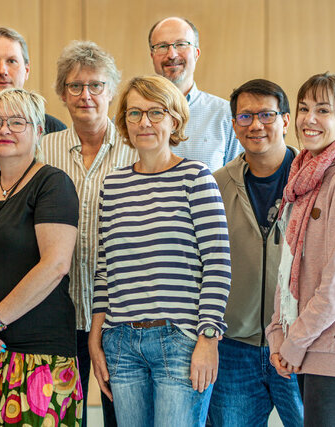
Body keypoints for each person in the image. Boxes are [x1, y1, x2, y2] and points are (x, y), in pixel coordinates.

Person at [89, 75, 231, 427]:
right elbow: (105, 269)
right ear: (124, 122)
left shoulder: (196, 178)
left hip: (180, 340)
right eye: (135, 113)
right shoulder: (113, 185)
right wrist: (96, 338)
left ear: (175, 120)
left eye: (156, 112)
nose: (144, 122)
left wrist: (208, 338)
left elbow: (217, 264)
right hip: (121, 342)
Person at [0, 88, 82, 426]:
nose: (4, 129)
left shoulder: (52, 184)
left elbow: (55, 265)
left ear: (39, 130)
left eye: (17, 122)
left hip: (37, 354)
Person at [266, 72, 335, 426]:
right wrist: (278, 332)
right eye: (303, 108)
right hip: (311, 343)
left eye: (323, 110)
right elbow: (289, 266)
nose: (309, 119)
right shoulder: (306, 178)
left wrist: (295, 341)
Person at [42, 40, 138, 427]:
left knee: (123, 417)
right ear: (62, 93)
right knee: (65, 418)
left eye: (96, 85)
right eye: (75, 86)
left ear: (111, 91)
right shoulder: (43, 151)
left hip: (120, 316)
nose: (86, 95)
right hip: (58, 314)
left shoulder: (136, 151)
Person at [210, 79, 303, 426]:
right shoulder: (216, 185)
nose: (255, 125)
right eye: (245, 116)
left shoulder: (314, 181)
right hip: (235, 347)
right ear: (234, 125)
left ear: (285, 120)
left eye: (266, 114)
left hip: (300, 343)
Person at [148, 17, 241, 171]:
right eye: (162, 46)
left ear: (196, 53)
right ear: (152, 56)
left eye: (181, 44)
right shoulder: (132, 116)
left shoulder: (225, 115)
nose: (172, 54)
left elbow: (237, 179)